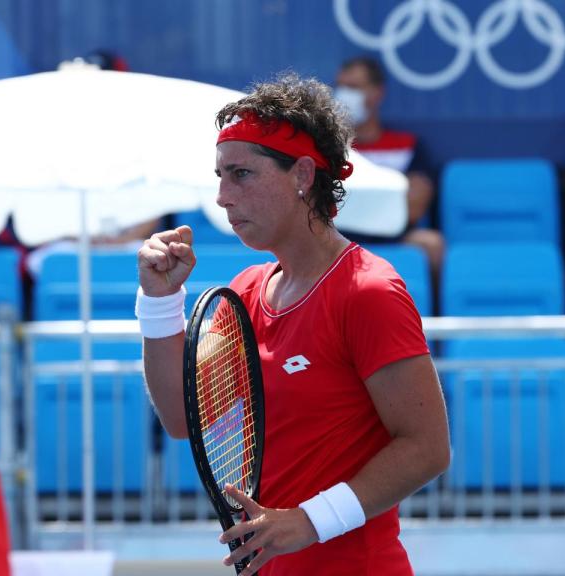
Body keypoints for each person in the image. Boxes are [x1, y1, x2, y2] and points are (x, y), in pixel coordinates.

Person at [136, 73, 450, 575]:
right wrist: (159, 301)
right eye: (219, 176)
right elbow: (181, 416)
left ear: (303, 175)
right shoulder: (245, 291)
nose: (222, 196)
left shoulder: (369, 291)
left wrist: (308, 521)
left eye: (241, 175)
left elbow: (428, 449)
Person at [334, 56, 444, 281]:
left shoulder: (406, 146)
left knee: (432, 244)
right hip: (334, 239)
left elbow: (415, 206)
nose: (344, 95)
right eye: (341, 87)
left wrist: (354, 204)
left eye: (353, 87)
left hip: (392, 237)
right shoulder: (327, 147)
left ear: (376, 93)